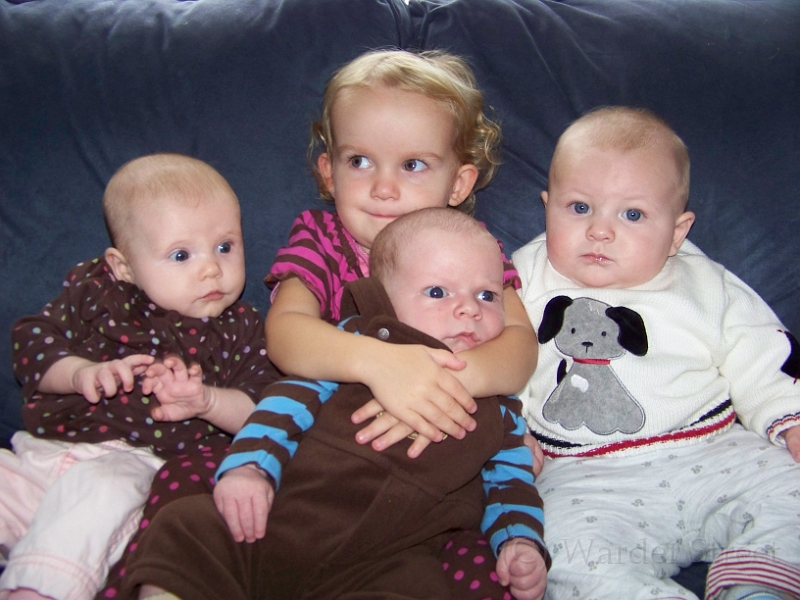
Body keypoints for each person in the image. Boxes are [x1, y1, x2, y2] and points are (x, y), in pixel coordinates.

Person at [96, 48, 540, 600]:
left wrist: (447, 380)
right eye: (360, 161)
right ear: (329, 172)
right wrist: (383, 365)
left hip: (417, 501)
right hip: (306, 458)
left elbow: (520, 346)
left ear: (459, 183)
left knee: (480, 574)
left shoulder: (473, 250)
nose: (383, 187)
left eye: (413, 165)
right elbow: (286, 334)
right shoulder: (322, 241)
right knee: (185, 497)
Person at [120, 207, 550, 600]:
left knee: (424, 590)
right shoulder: (355, 343)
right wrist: (250, 467)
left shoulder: (499, 405)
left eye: (487, 296)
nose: (469, 310)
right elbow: (287, 402)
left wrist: (519, 540)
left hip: (390, 561)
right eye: (438, 292)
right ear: (384, 298)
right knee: (185, 527)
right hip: (281, 519)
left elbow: (510, 481)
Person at [512, 106, 800, 600]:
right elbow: (497, 358)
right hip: (585, 481)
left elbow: (762, 350)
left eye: (632, 215)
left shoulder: (704, 282)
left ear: (677, 232)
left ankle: (756, 584)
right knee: (559, 554)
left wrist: (791, 417)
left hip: (715, 452)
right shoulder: (519, 281)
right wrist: (510, 430)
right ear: (547, 205)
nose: (600, 230)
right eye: (579, 207)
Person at [0, 154, 278, 600]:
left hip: (133, 469)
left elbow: (262, 410)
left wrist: (206, 401)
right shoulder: (94, 292)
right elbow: (32, 343)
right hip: (44, 456)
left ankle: (37, 590)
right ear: (123, 265)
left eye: (225, 246)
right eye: (181, 255)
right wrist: (79, 373)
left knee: (98, 492)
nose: (211, 268)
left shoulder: (241, 329)